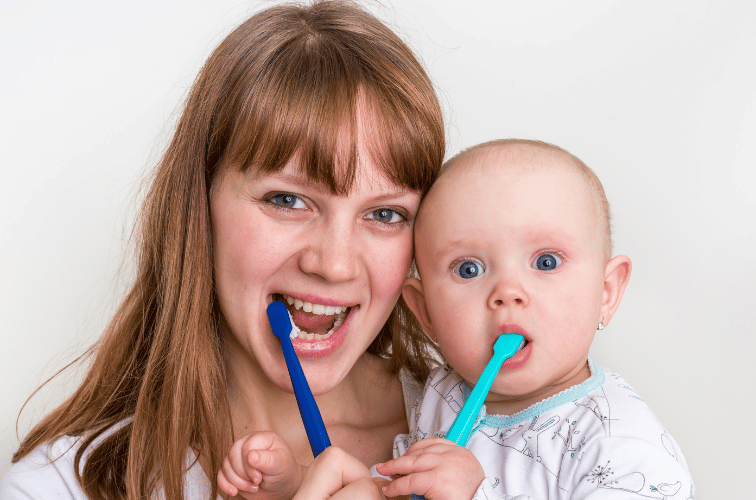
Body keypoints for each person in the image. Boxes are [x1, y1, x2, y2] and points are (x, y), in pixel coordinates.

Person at [0, 1, 445, 499]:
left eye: (385, 215)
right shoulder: (58, 488)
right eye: (287, 200)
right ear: (198, 206)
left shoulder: (516, 447)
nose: (335, 264)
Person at [372, 139, 695, 499]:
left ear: (605, 292)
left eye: (546, 262)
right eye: (468, 269)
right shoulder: (439, 395)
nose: (507, 291)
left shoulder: (619, 444)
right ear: (425, 312)